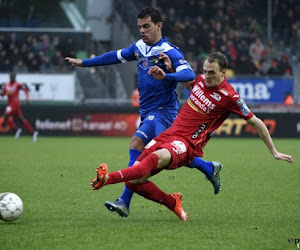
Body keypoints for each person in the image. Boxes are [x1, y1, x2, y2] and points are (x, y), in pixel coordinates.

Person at [90, 52, 294, 221]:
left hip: (186, 144)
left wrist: (274, 151)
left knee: (152, 160)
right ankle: (173, 203)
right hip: (170, 135)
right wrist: (170, 69)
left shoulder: (230, 96)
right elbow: (189, 83)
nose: (207, 76)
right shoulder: (199, 82)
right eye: (205, 71)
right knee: (135, 178)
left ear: (223, 73)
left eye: (212, 73)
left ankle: (106, 179)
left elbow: (255, 122)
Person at [66, 7, 222, 218]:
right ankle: (207, 168)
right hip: (148, 112)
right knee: (157, 152)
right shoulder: (139, 47)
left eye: (146, 26)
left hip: (164, 112)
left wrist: (168, 74)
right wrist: (85, 63)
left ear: (159, 26)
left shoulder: (169, 50)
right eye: (139, 27)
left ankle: (125, 200)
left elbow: (187, 74)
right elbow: (115, 56)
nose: (142, 31)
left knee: (150, 150)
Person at [0, 72, 38, 142]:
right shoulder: (6, 85)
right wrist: (2, 92)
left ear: (15, 77)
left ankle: (18, 130)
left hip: (15, 105)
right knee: (20, 120)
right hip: (11, 105)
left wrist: (27, 98)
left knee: (5, 116)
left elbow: (26, 89)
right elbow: (2, 94)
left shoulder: (17, 84)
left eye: (13, 76)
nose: (12, 78)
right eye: (11, 76)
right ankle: (32, 132)